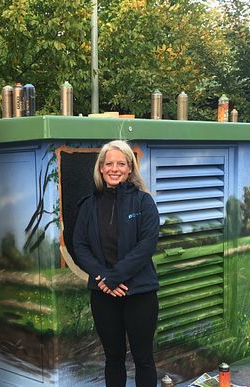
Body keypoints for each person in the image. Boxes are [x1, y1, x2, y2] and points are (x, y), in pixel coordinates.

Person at [72, 140, 160, 387]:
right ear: (100, 168)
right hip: (103, 294)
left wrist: (115, 277)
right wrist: (103, 278)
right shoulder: (89, 205)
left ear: (130, 168)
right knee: (113, 358)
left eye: (121, 164)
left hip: (140, 293)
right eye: (109, 163)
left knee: (143, 359)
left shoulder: (144, 203)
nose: (114, 168)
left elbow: (147, 245)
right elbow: (80, 245)